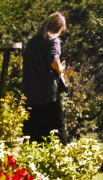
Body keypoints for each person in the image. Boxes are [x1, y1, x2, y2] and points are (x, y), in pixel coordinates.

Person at [22, 12, 68, 143]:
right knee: (58, 128)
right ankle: (65, 158)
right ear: (59, 27)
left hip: (31, 92)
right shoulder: (53, 41)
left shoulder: (32, 42)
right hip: (48, 94)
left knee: (34, 131)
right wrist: (60, 70)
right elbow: (54, 61)